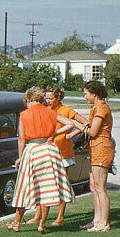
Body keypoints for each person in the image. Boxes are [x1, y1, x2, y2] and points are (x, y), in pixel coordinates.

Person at [7, 87, 77, 234]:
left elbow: (21, 138)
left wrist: (20, 157)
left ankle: (16, 223)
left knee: (25, 187)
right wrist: (55, 133)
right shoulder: (51, 112)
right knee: (48, 187)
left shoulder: (24, 115)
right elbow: (71, 124)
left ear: (28, 100)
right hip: (49, 149)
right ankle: (42, 224)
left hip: (33, 150)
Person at [26, 86, 88, 227]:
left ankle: (60, 216)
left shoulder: (66, 110)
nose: (48, 101)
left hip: (63, 153)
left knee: (62, 184)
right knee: (42, 184)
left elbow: (83, 123)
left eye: (51, 98)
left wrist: (70, 135)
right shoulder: (45, 110)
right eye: (46, 98)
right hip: (47, 152)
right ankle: (38, 215)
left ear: (59, 97)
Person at [79, 80, 114, 232]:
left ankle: (104, 223)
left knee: (100, 188)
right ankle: (97, 220)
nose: (85, 97)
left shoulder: (101, 108)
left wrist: (78, 126)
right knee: (94, 186)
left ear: (94, 93)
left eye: (86, 94)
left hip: (102, 148)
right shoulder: (95, 108)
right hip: (96, 149)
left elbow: (93, 132)